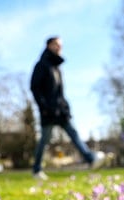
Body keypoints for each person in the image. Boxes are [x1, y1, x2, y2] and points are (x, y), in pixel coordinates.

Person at [30, 36, 105, 180]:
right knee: (45, 140)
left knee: (74, 133)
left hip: (61, 111)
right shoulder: (42, 65)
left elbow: (59, 93)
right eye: (56, 44)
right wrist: (44, 107)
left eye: (61, 45)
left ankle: (91, 159)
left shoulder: (56, 67)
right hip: (48, 111)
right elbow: (35, 87)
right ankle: (36, 170)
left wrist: (65, 108)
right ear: (49, 45)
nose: (59, 48)